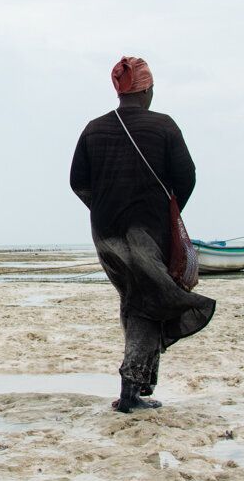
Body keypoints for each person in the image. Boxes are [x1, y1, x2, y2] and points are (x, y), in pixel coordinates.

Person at [70, 57, 216, 413]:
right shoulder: (164, 126)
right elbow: (186, 178)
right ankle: (131, 393)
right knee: (144, 303)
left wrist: (105, 208)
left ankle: (137, 388)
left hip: (105, 235)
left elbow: (78, 183)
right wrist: (164, 210)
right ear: (147, 90)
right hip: (149, 232)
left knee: (136, 299)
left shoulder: (93, 129)